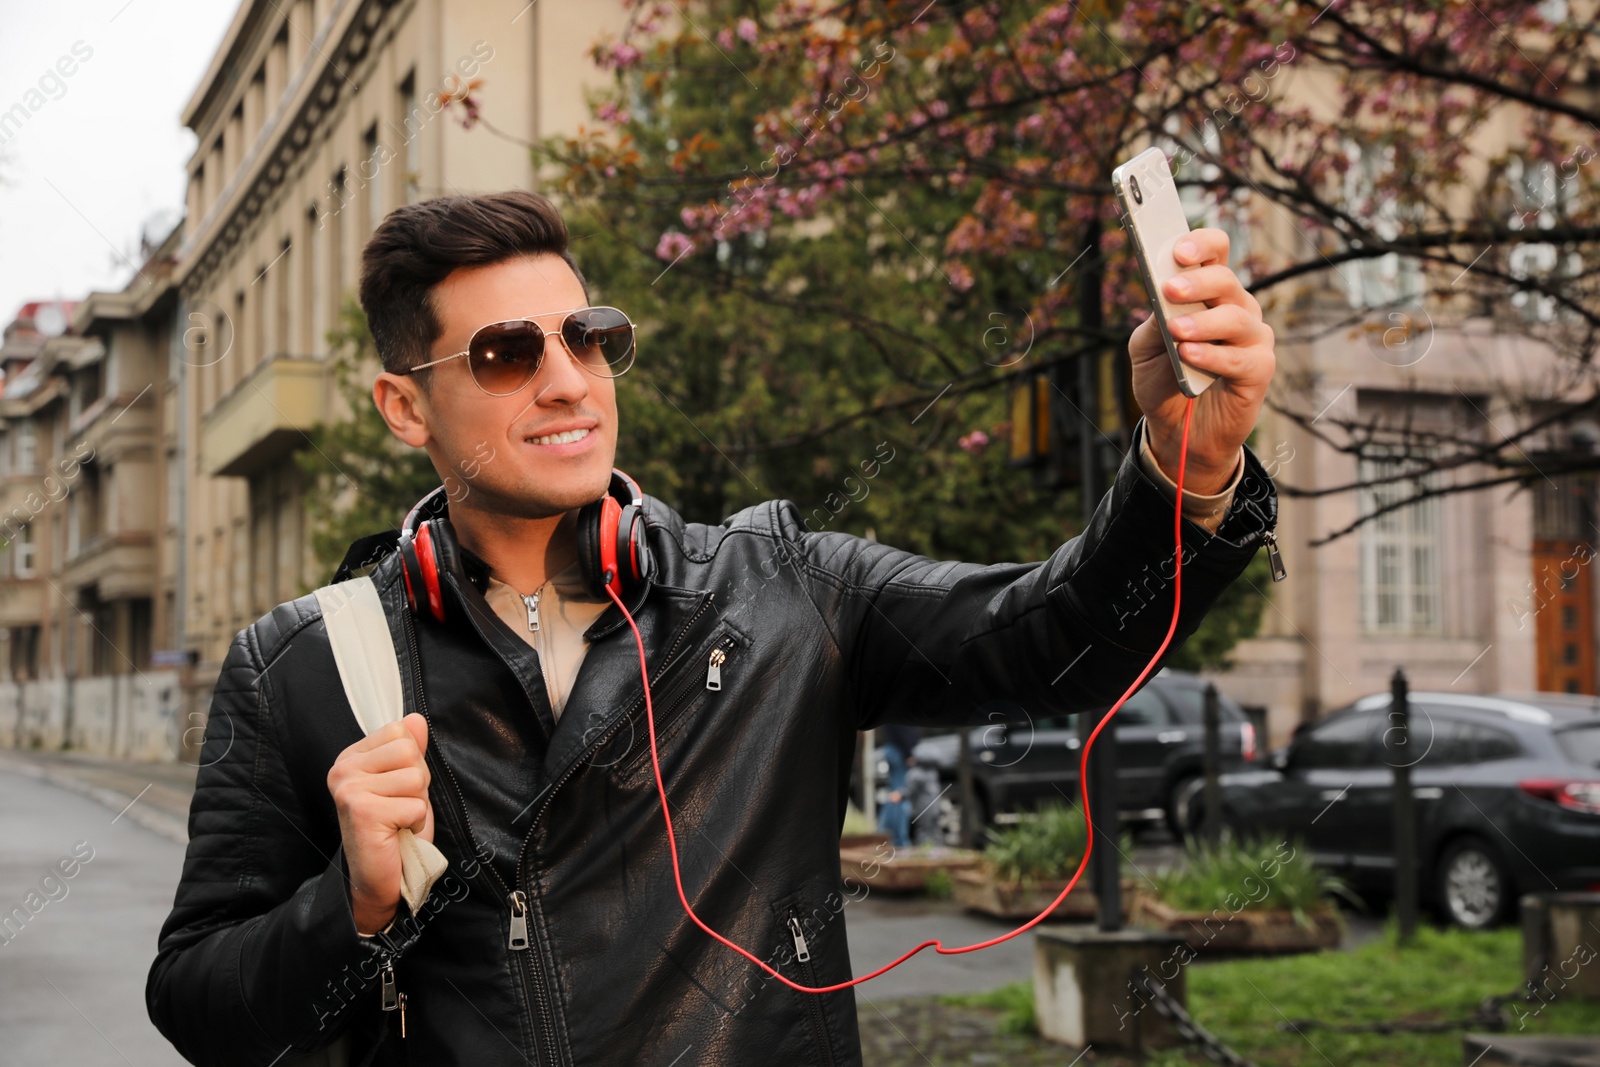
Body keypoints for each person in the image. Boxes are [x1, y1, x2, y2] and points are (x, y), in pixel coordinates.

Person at [146, 189, 1278, 1066]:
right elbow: (201, 1002)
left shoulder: (783, 587)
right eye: (505, 353)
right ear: (405, 406)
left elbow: (1058, 633)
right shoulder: (302, 664)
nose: (565, 381)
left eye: (585, 337)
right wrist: (348, 905)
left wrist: (1192, 468)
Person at [876, 724, 921, 847]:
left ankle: (883, 835)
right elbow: (903, 726)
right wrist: (909, 753)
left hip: (893, 747)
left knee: (894, 796)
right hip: (900, 750)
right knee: (899, 797)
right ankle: (899, 840)